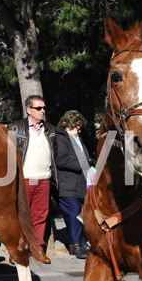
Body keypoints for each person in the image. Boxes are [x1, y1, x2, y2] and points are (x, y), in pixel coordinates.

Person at [7, 95, 57, 251]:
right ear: (29, 110)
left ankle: (37, 249)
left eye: (44, 108)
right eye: (38, 108)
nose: (42, 111)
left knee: (41, 215)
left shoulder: (50, 129)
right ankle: (19, 248)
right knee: (21, 216)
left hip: (44, 179)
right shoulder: (15, 128)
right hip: (24, 179)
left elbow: (54, 153)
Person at [54, 110, 92, 259]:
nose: (80, 130)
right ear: (69, 125)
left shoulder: (76, 137)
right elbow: (61, 160)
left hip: (78, 184)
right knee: (73, 213)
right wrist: (82, 164)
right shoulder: (61, 138)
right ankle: (74, 244)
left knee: (81, 214)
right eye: (78, 126)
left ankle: (83, 242)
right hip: (66, 184)